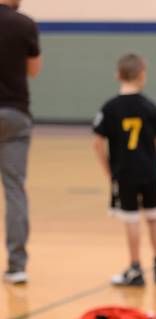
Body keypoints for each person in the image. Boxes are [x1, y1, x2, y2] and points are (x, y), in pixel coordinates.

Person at [92, 53, 156, 287]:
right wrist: (155, 166)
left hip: (123, 173)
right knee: (154, 217)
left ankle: (135, 269)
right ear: (142, 75)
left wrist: (109, 171)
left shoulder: (109, 107)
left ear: (118, 75)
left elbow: (97, 141)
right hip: (148, 172)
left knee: (131, 219)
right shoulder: (148, 106)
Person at [0, 0, 41, 285]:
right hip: (15, 113)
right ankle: (17, 265)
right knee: (14, 190)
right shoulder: (25, 24)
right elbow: (34, 70)